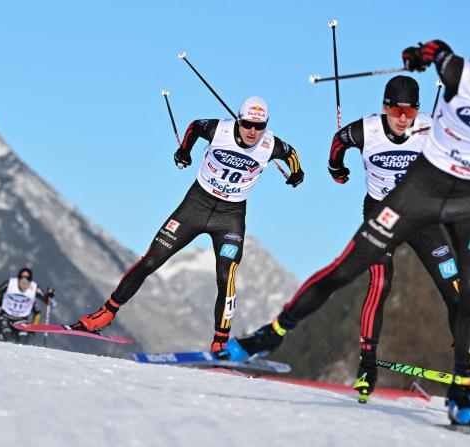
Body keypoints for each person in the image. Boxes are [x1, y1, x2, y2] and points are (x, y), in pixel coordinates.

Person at [231, 21, 470, 427]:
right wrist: (337, 170)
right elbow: (339, 142)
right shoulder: (384, 119)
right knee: (371, 279)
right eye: (395, 109)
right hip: (394, 204)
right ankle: (335, 353)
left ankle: (467, 375)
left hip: (445, 210)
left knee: (463, 290)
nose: (402, 118)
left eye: (408, 111)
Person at [72, 96, 305, 352]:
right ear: (238, 119)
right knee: (151, 260)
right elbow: (194, 126)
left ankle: (220, 346)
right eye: (248, 123)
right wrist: (184, 152)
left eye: (259, 126)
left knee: (227, 278)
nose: (252, 131)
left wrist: (297, 175)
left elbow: (292, 156)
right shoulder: (219, 130)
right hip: (196, 205)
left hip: (230, 217)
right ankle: (104, 314)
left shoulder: (271, 145)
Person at [0, 267, 55, 343]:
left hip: (22, 320)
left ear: (30, 282)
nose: (24, 284)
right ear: (18, 280)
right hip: (5, 318)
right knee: (8, 339)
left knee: (22, 343)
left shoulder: (35, 289)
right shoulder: (10, 284)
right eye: (22, 281)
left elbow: (50, 304)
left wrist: (50, 296)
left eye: (26, 282)